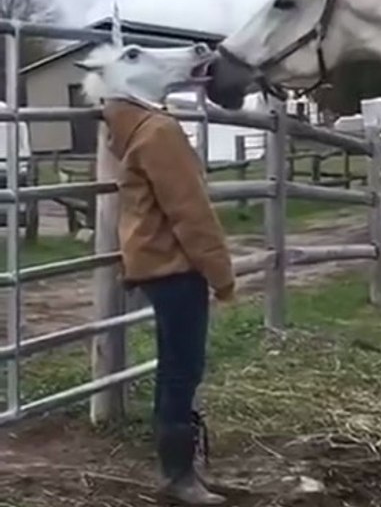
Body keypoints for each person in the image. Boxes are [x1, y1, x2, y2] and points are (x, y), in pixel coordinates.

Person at [104, 98, 236, 505]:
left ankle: (175, 466)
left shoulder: (128, 129)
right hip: (175, 265)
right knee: (184, 367)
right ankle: (178, 475)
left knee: (173, 366)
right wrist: (221, 273)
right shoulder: (160, 131)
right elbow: (190, 211)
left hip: (152, 264)